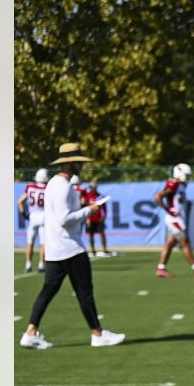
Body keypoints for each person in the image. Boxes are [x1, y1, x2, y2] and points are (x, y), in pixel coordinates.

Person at [19, 142, 125, 350]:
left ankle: (31, 332)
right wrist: (90, 210)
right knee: (84, 291)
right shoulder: (63, 186)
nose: (82, 166)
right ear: (71, 163)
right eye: (79, 162)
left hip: (57, 248)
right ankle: (97, 333)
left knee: (48, 291)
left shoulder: (54, 184)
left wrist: (85, 208)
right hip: (69, 248)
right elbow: (64, 219)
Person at [154, 162, 194, 278]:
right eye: (187, 175)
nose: (189, 178)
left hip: (176, 217)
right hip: (174, 219)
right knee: (185, 242)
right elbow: (158, 197)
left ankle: (161, 269)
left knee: (170, 243)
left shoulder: (180, 185)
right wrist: (168, 209)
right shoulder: (174, 184)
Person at [17, 168, 48, 273]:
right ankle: (41, 264)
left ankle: (28, 264)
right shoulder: (48, 189)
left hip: (33, 217)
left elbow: (20, 201)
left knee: (30, 242)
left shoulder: (30, 187)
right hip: (44, 217)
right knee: (43, 243)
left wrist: (23, 214)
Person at [83, 179, 112, 257]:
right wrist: (87, 218)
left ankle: (104, 249)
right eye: (92, 187)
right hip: (90, 218)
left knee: (102, 234)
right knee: (91, 234)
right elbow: (85, 207)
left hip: (98, 219)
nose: (93, 188)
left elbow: (104, 208)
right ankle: (93, 250)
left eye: (94, 187)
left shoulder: (100, 196)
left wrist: (104, 216)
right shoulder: (87, 196)